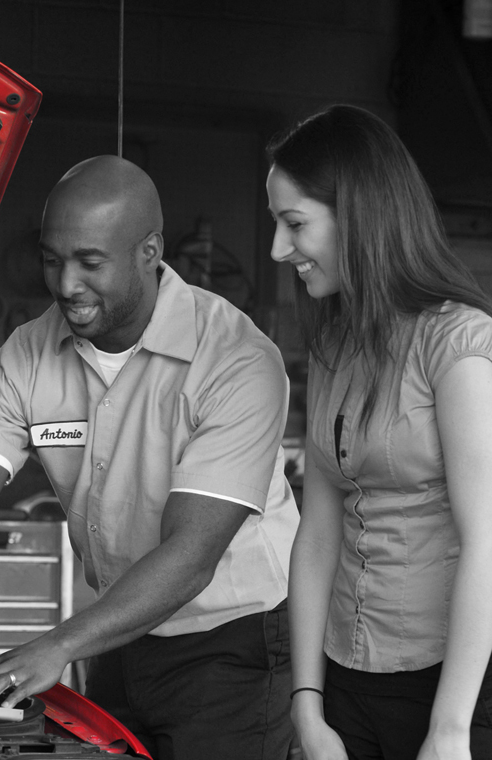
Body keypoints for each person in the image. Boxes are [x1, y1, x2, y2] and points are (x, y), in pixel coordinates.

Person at [0, 154, 300, 759]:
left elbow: (191, 557)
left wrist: (59, 645)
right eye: (52, 260)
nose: (66, 285)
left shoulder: (236, 360)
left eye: (90, 262)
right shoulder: (26, 357)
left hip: (234, 641)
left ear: (149, 251)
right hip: (117, 633)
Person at [267, 104, 492, 760]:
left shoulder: (459, 344)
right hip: (347, 679)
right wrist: (307, 705)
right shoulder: (335, 346)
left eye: (294, 224)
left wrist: (449, 730)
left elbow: (487, 540)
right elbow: (318, 533)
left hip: (455, 687)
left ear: (358, 216)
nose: (279, 249)